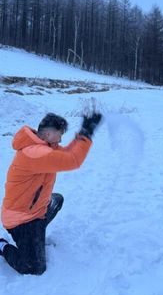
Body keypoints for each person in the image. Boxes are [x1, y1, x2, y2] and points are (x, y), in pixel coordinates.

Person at [0, 110, 103, 275]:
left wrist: (82, 135)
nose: (61, 139)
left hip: (36, 210)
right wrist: (87, 132)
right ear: (48, 133)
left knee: (57, 199)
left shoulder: (44, 147)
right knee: (34, 268)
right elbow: (72, 160)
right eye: (60, 135)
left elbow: (68, 153)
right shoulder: (34, 153)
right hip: (21, 219)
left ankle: (38, 231)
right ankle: (2, 245)